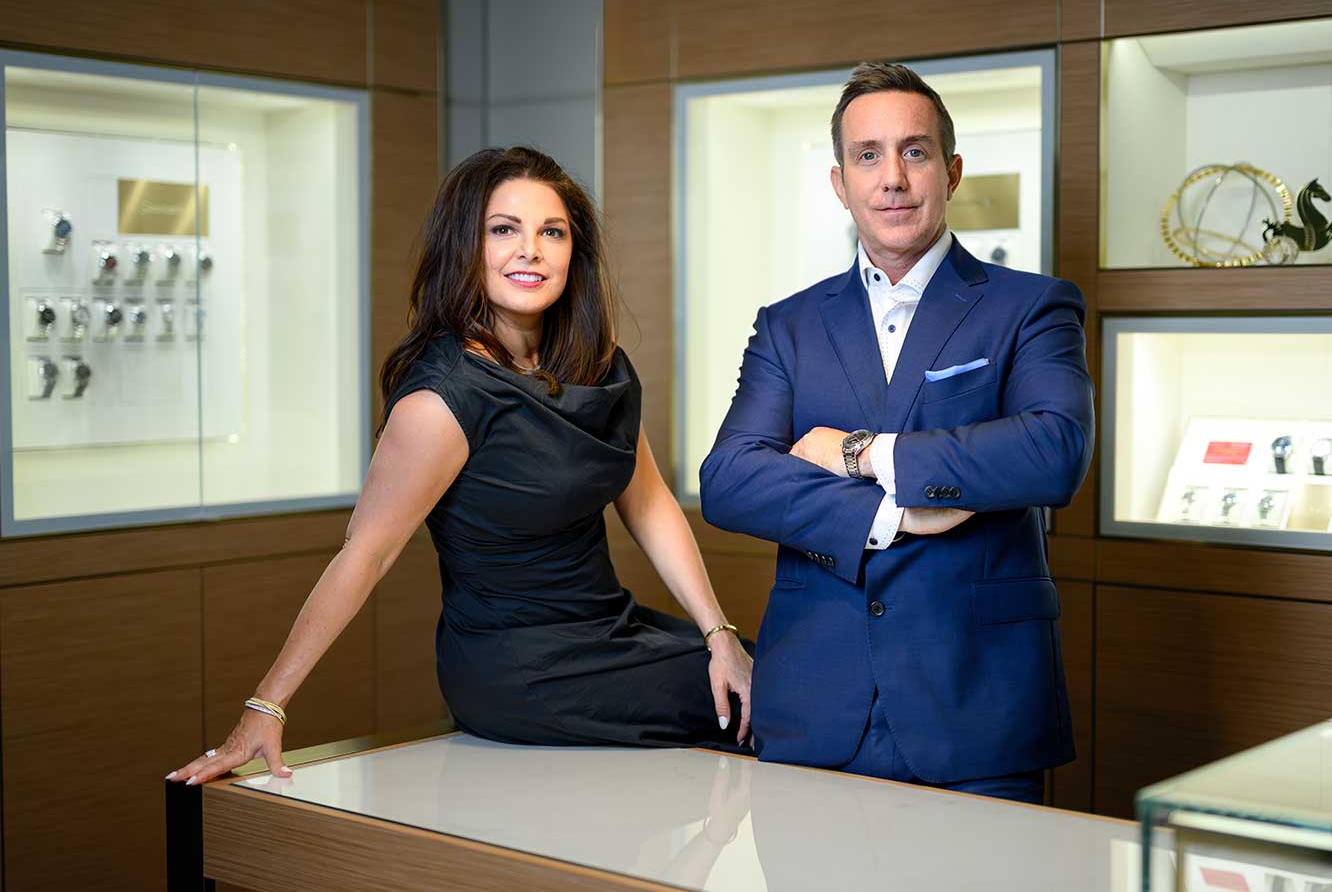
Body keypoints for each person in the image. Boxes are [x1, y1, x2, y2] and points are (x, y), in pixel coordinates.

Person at [170, 147, 752, 787]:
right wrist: (266, 705)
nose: (529, 250)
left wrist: (717, 633)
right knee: (789, 700)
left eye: (550, 232)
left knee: (773, 668)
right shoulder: (443, 396)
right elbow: (365, 553)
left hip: (609, 630)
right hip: (518, 666)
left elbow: (648, 502)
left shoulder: (596, 365)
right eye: (503, 230)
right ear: (464, 248)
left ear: (572, 252)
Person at [698, 62, 1094, 803]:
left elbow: (1053, 449)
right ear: (839, 182)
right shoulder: (789, 325)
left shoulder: (1032, 307)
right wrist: (892, 511)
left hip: (976, 706)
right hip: (814, 704)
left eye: (914, 152)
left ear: (952, 170)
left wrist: (862, 453)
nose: (892, 178)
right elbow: (729, 477)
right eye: (867, 155)